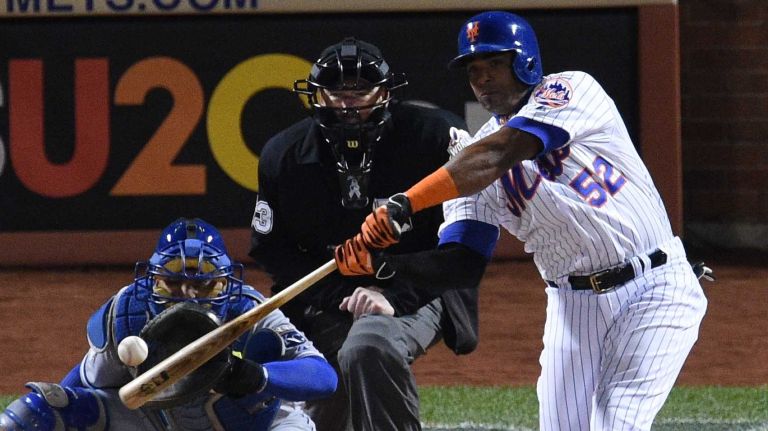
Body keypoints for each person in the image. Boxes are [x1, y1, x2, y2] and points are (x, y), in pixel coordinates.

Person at [335, 11, 710, 431]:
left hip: (654, 286)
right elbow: (462, 261)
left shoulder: (571, 90)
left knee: (614, 421)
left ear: (525, 61)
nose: (482, 79)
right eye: (473, 69)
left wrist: (408, 202)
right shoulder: (468, 162)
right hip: (573, 306)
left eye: (494, 64)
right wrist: (385, 266)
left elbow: (503, 151)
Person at [249, 37, 483, 431]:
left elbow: (462, 249)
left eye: (359, 91)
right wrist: (339, 295)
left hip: (420, 286)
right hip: (328, 294)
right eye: (336, 92)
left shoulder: (437, 138)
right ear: (317, 95)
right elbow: (272, 249)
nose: (347, 103)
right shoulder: (283, 154)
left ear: (386, 93)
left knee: (368, 344)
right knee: (318, 375)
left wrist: (393, 290)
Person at [0, 218, 337, 431]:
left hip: (250, 422)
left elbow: (323, 378)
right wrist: (61, 413)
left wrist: (255, 375)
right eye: (173, 283)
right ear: (153, 280)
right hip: (158, 420)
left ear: (225, 283)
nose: (188, 295)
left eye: (204, 284)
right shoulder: (127, 312)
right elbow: (79, 387)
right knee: (40, 409)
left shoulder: (249, 312)